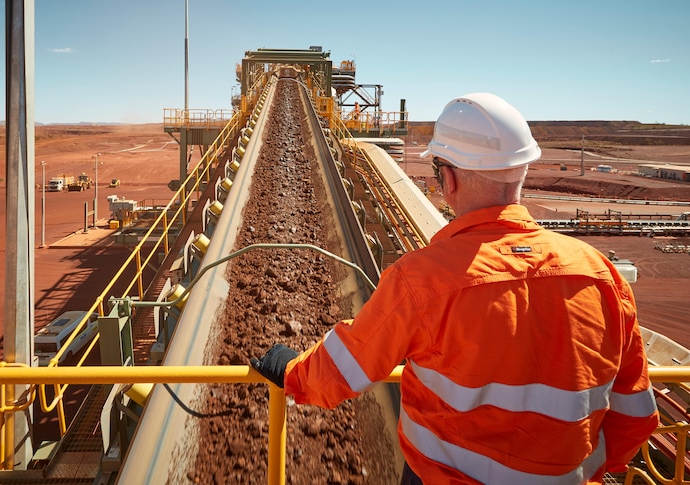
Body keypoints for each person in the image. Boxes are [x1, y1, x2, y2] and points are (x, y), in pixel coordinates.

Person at [251, 92, 659, 484]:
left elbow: (347, 366)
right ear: (522, 171)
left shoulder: (424, 279)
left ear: (447, 179)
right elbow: (636, 417)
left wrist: (290, 371)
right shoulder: (601, 276)